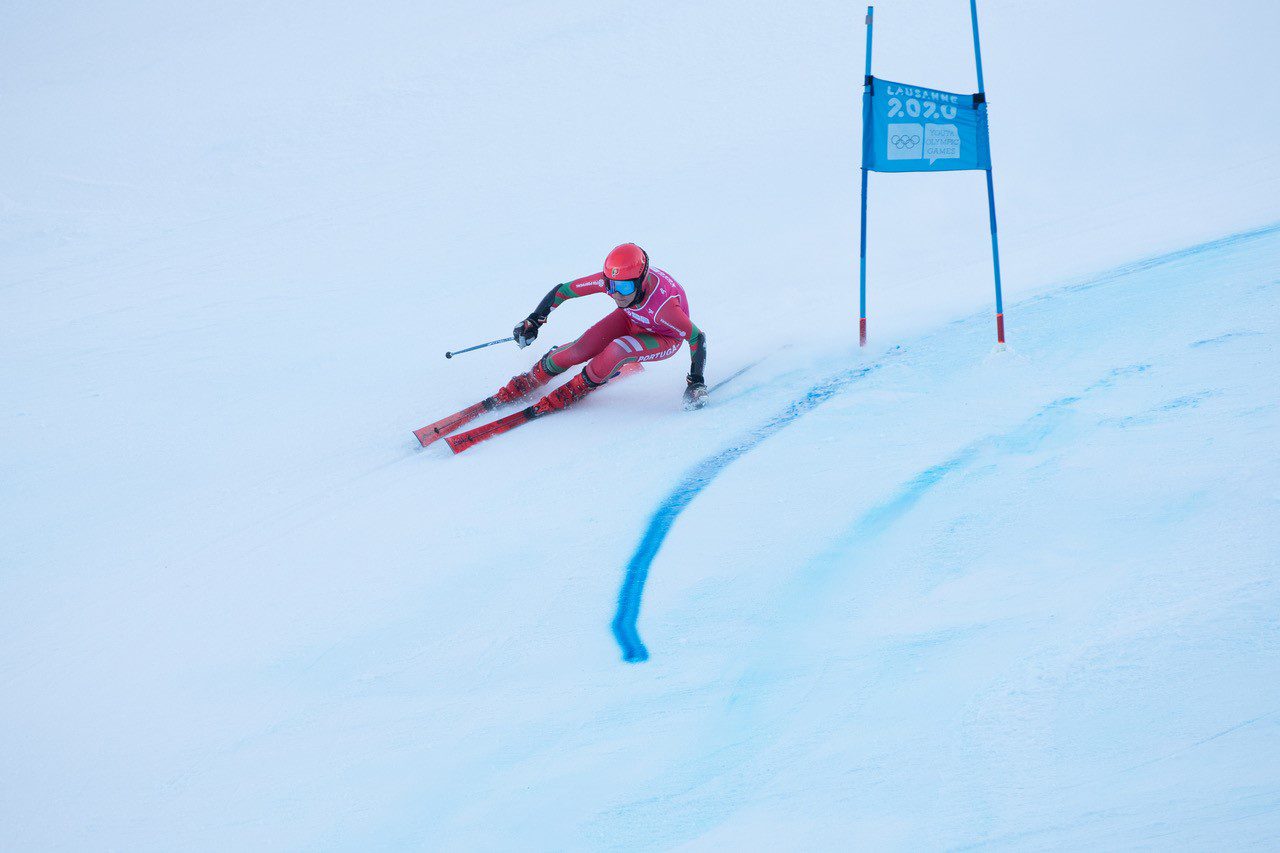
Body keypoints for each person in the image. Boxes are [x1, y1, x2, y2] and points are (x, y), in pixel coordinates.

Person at [494, 243, 708, 414]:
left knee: (618, 349)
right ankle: (534, 376)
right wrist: (534, 320)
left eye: (624, 287)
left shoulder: (665, 308)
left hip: (663, 337)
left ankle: (577, 387)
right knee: (579, 349)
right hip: (633, 318)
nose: (615, 293)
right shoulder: (617, 282)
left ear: (641, 281)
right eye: (610, 285)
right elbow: (563, 291)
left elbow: (697, 338)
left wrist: (696, 382)